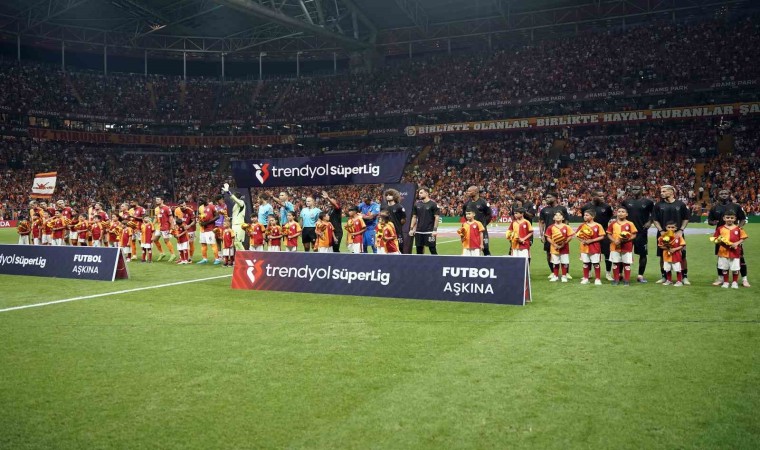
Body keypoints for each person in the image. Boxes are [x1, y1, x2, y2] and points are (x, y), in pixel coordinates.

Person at [708, 189, 749, 287]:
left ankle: (744, 279)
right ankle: (721, 279)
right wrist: (713, 222)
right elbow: (710, 220)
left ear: (729, 195)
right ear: (718, 195)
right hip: (721, 237)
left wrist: (739, 228)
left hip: (735, 237)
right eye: (721, 193)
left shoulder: (736, 206)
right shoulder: (714, 207)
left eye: (726, 193)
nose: (724, 195)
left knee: (740, 258)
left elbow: (743, 219)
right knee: (721, 258)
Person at [653, 185, 691, 284]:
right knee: (662, 255)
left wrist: (681, 230)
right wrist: (661, 231)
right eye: (661, 191)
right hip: (663, 234)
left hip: (678, 234)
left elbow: (686, 218)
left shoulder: (681, 204)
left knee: (682, 255)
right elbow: (655, 220)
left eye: (664, 191)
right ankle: (664, 276)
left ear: (671, 192)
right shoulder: (658, 205)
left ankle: (684, 277)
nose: (661, 193)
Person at [621, 184, 655, 283]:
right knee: (623, 253)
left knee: (643, 254)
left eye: (637, 188)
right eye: (633, 188)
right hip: (626, 233)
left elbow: (654, 214)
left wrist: (650, 222)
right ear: (631, 190)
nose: (635, 190)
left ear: (642, 190)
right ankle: (620, 274)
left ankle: (640, 276)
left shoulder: (648, 202)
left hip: (641, 232)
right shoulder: (626, 202)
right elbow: (621, 213)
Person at [581, 190, 614, 280]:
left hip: (604, 233)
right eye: (600, 196)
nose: (602, 198)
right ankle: (589, 272)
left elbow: (609, 217)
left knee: (607, 253)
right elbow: (585, 218)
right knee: (590, 253)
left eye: (603, 196)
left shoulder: (607, 207)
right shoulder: (586, 207)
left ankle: (608, 273)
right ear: (593, 196)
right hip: (590, 234)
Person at [713, 210, 748, 289]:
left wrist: (737, 243)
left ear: (735, 219)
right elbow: (715, 238)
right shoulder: (720, 228)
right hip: (723, 251)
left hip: (735, 252)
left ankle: (734, 282)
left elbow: (743, 237)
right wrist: (719, 242)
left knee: (735, 268)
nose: (730, 219)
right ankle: (726, 282)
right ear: (724, 218)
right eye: (728, 217)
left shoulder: (738, 228)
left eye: (732, 218)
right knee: (724, 268)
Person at [539, 192, 570, 278]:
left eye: (549, 197)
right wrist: (542, 235)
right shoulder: (544, 210)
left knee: (564, 253)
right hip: (549, 235)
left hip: (561, 235)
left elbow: (566, 221)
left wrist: (565, 234)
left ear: (555, 198)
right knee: (549, 254)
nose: (547, 199)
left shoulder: (562, 209)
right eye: (546, 197)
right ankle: (553, 272)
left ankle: (566, 273)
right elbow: (541, 222)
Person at [607, 207, 638, 286]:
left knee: (626, 264)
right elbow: (609, 234)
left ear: (626, 214)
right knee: (615, 263)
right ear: (616, 213)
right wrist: (614, 241)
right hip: (614, 246)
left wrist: (627, 239)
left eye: (623, 212)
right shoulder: (613, 224)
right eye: (619, 211)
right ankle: (616, 279)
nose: (620, 213)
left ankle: (626, 280)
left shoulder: (630, 223)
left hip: (627, 247)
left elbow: (634, 234)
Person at [576, 209, 605, 285]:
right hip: (584, 247)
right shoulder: (582, 225)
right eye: (584, 215)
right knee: (585, 263)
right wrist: (582, 240)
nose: (584, 216)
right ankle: (586, 278)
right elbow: (577, 235)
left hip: (595, 247)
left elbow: (602, 236)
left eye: (587, 215)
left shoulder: (598, 225)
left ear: (593, 216)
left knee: (596, 264)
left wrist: (591, 240)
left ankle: (597, 279)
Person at [409, 187, 440, 255]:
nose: (419, 194)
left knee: (432, 250)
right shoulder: (417, 204)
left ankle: (437, 262)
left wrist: (435, 230)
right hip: (419, 231)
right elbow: (414, 217)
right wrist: (411, 229)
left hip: (429, 231)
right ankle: (420, 262)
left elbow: (437, 218)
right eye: (419, 193)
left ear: (426, 193)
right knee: (419, 251)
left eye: (421, 193)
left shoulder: (433, 204)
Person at [463, 186, 492, 255]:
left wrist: (483, 224)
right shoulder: (466, 204)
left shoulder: (483, 203)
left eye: (470, 191)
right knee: (471, 248)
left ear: (476, 192)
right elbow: (465, 215)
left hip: (482, 230)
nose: (468, 193)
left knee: (485, 248)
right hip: (471, 230)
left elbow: (489, 215)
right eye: (468, 191)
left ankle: (489, 261)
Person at [545, 211, 574, 282]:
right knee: (555, 262)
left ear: (563, 218)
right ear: (553, 218)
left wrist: (564, 243)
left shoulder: (566, 227)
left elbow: (570, 236)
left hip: (564, 248)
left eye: (560, 215)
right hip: (554, 248)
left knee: (564, 262)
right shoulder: (550, 227)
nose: (558, 216)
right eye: (556, 215)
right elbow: (548, 237)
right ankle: (555, 276)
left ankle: (564, 276)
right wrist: (554, 244)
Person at [658, 222, 685, 286]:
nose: (670, 229)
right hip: (667, 256)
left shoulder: (678, 236)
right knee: (667, 269)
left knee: (678, 269)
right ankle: (669, 280)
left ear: (676, 228)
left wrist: (674, 249)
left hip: (676, 256)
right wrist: (668, 248)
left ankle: (679, 281)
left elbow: (682, 245)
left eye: (672, 227)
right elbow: (660, 245)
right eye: (669, 227)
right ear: (666, 228)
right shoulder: (663, 237)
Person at [197, 196, 222, 265]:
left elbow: (217, 216)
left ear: (206, 199)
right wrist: (200, 222)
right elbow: (200, 217)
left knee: (212, 244)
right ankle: (204, 259)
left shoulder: (212, 206)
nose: (200, 202)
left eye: (201, 200)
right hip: (202, 229)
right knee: (203, 244)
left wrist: (207, 223)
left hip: (210, 229)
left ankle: (217, 259)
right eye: (199, 200)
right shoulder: (200, 208)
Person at [223, 184, 247, 251]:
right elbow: (237, 215)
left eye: (234, 196)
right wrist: (230, 218)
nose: (232, 198)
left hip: (239, 225)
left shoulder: (241, 202)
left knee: (238, 242)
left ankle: (244, 256)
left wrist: (228, 192)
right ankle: (239, 256)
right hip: (234, 225)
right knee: (236, 243)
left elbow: (235, 199)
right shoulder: (235, 205)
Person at [153, 197, 176, 262]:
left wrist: (172, 226)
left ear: (162, 201)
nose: (156, 201)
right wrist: (152, 224)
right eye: (156, 200)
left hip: (165, 226)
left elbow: (171, 217)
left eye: (158, 200)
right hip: (159, 227)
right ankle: (162, 253)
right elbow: (156, 218)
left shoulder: (167, 208)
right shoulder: (156, 209)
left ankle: (173, 254)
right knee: (155, 240)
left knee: (166, 241)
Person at [384, 189, 407, 253]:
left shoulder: (399, 207)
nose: (388, 196)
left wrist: (398, 225)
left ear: (395, 196)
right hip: (387, 232)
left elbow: (403, 219)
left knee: (400, 248)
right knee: (388, 249)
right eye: (387, 195)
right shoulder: (385, 208)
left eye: (390, 195)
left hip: (397, 231)